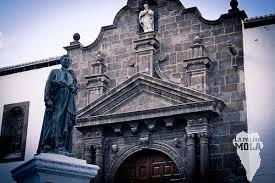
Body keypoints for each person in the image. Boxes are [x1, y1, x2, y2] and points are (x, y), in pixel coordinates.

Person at [37, 55, 78, 155]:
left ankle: (62, 145)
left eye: (69, 60)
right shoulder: (55, 72)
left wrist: (73, 88)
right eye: (65, 59)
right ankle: (51, 144)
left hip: (68, 101)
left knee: (66, 122)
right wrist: (47, 99)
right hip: (57, 100)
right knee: (55, 120)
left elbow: (75, 88)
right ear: (61, 61)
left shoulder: (72, 75)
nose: (67, 61)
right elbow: (48, 85)